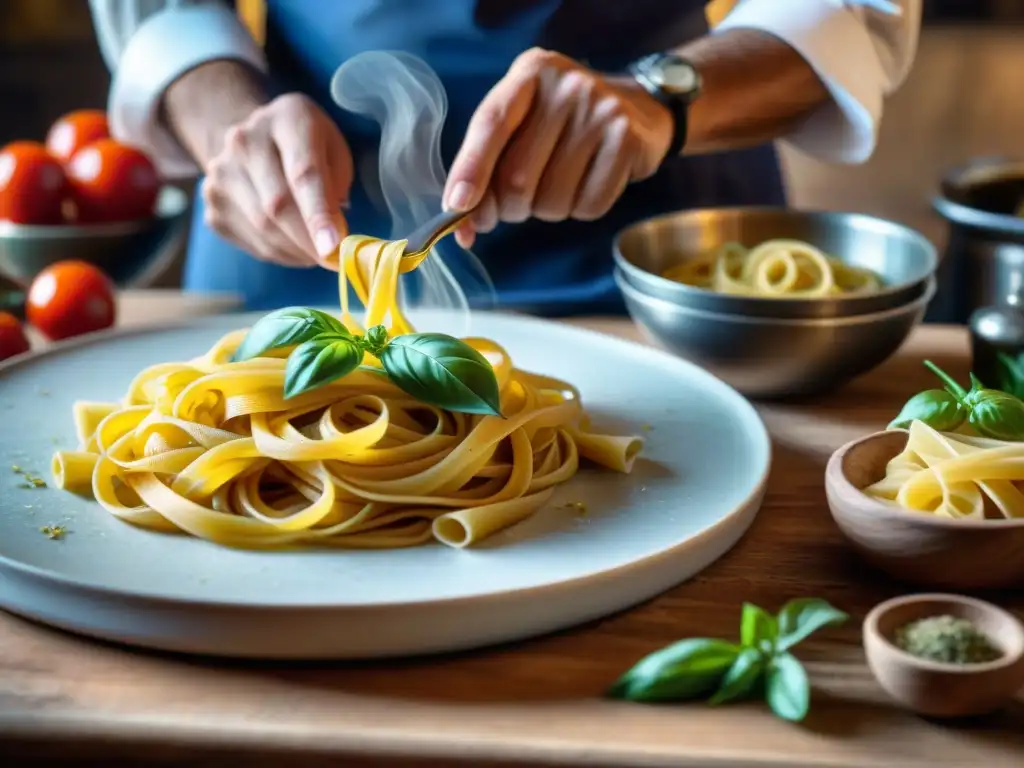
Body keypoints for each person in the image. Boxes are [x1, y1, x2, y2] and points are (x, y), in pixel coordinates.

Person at [88, 0, 921, 315]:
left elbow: (857, 13)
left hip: (659, 261)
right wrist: (232, 119)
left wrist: (661, 97)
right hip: (286, 254)